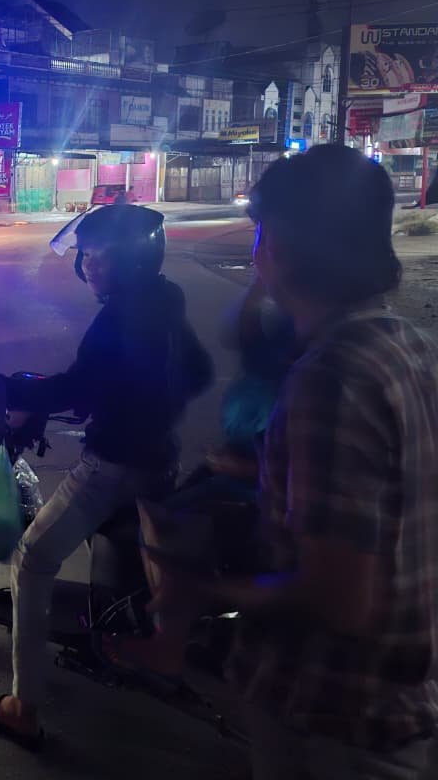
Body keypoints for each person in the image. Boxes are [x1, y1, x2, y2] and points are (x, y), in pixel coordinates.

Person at [151, 145, 438, 780]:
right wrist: (263, 473)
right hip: (394, 700)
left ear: (276, 246)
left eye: (261, 234)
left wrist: (203, 592)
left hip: (329, 717)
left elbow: (338, 599)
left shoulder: (330, 377)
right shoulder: (405, 346)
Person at [0, 204, 213, 747]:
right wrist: (146, 403)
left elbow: (76, 387)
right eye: (85, 255)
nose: (88, 265)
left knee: (31, 559)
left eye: (98, 256)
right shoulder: (166, 299)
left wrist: (3, 385)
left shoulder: (119, 318)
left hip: (114, 465)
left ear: (130, 260)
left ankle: (23, 706)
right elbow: (198, 372)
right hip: (161, 458)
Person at [112, 278, 297, 683]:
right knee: (150, 506)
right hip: (229, 467)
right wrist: (264, 274)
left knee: (159, 526)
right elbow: (241, 330)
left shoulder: (303, 384)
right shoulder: (266, 360)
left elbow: (301, 472)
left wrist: (238, 466)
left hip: (254, 486)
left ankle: (168, 641)